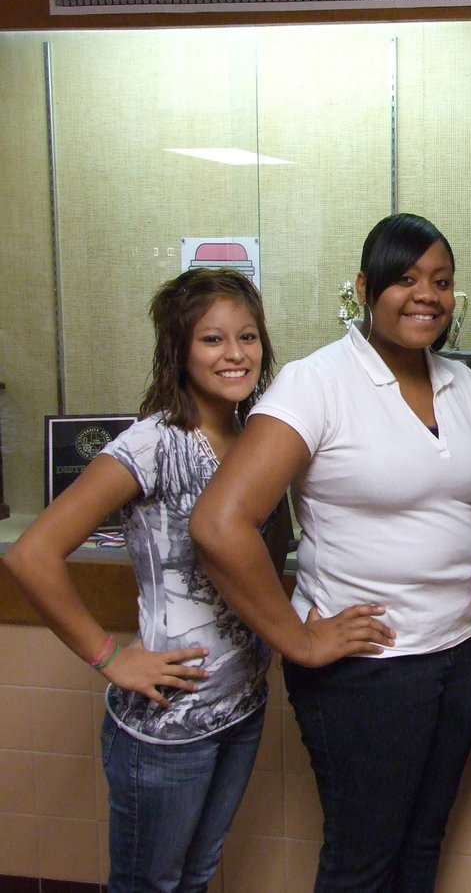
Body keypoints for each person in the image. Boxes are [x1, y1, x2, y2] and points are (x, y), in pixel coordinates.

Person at [189, 214, 471, 892]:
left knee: (421, 851)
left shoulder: (461, 384)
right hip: (369, 673)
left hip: (453, 656)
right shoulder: (316, 381)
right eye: (406, 279)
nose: (427, 296)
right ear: (364, 287)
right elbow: (219, 523)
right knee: (363, 863)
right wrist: (296, 638)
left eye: (441, 282)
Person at [3, 268, 285, 892]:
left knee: (196, 876)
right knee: (149, 885)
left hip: (241, 706)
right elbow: (32, 554)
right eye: (212, 340)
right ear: (179, 349)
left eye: (248, 336)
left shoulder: (255, 436)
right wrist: (109, 657)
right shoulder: (153, 442)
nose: (236, 354)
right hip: (167, 726)